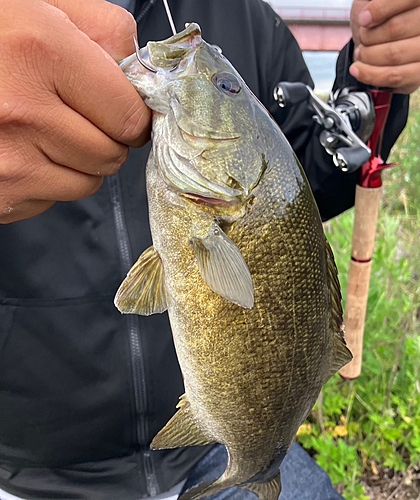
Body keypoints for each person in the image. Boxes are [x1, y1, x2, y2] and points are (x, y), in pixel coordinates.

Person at [0, 0, 417, 499]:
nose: (204, 58)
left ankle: (253, 468)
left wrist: (375, 81)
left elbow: (305, 178)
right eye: (226, 86)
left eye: (225, 87)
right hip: (28, 469)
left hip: (224, 447)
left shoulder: (242, 14)